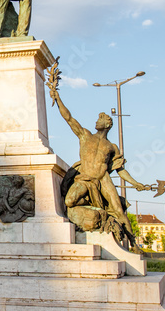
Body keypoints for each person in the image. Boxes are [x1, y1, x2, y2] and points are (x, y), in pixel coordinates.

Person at [48, 85, 148, 241]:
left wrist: (135, 183)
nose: (96, 121)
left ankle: (133, 243)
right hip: (85, 179)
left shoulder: (111, 147)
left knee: (119, 211)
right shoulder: (85, 136)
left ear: (107, 125)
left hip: (103, 180)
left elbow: (120, 170)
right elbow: (69, 118)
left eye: (100, 119)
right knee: (69, 200)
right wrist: (58, 99)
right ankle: (91, 207)